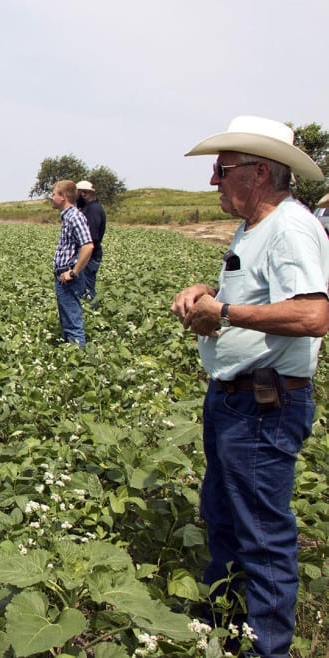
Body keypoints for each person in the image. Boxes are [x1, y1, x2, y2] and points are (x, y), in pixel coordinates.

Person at [171, 115, 329, 658]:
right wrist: (206, 293)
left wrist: (227, 311)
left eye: (222, 169)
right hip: (235, 398)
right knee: (224, 516)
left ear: (259, 172)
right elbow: (260, 293)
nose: (214, 180)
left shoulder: (290, 226)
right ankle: (224, 627)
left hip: (265, 403)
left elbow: (311, 313)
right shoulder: (255, 227)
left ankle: (268, 648)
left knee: (262, 535)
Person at [48, 180, 93, 347]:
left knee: (73, 323)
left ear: (63, 197)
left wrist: (73, 272)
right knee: (67, 320)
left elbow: (88, 245)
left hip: (69, 277)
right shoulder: (67, 217)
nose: (51, 197)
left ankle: (78, 364)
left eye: (54, 194)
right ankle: (70, 356)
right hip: (63, 276)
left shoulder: (75, 217)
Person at [75, 180, 107, 303]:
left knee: (86, 291)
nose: (75, 198)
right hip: (89, 256)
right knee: (84, 288)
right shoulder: (90, 208)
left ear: (84, 194)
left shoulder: (93, 210)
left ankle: (92, 314)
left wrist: (82, 257)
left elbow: (91, 238)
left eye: (76, 194)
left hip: (89, 257)